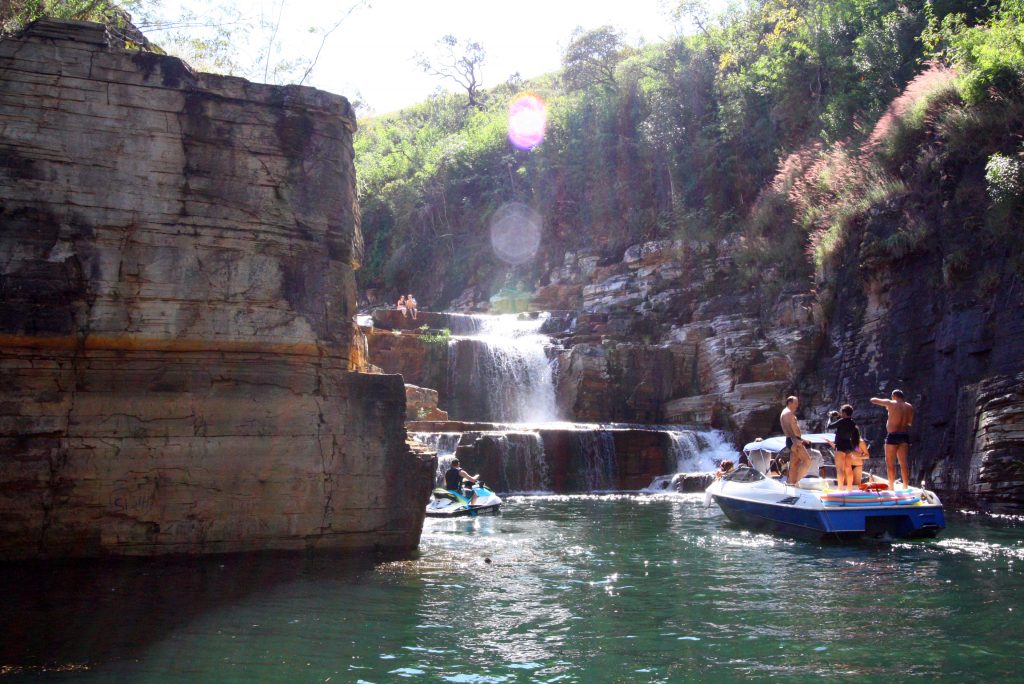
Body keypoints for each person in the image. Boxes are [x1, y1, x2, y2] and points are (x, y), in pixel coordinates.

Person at [871, 389, 914, 491]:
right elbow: (909, 423)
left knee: (890, 463)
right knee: (903, 462)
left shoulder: (891, 403)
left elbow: (873, 400)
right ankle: (905, 486)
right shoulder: (909, 406)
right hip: (904, 435)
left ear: (894, 396)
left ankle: (891, 487)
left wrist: (888, 405)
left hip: (893, 435)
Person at [780, 395, 812, 485]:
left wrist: (801, 439)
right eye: (795, 403)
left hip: (792, 440)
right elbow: (790, 428)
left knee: (794, 463)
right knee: (807, 460)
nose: (797, 405)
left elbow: (791, 429)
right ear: (790, 403)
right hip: (794, 440)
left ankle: (791, 483)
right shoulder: (788, 413)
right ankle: (797, 482)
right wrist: (797, 440)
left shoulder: (786, 413)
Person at [827, 404, 860, 491]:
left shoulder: (842, 421)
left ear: (844, 413)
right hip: (848, 446)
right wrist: (838, 416)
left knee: (840, 469)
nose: (841, 414)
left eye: (842, 412)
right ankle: (849, 489)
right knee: (848, 468)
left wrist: (830, 417)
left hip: (840, 446)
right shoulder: (853, 423)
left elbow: (829, 426)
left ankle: (840, 488)